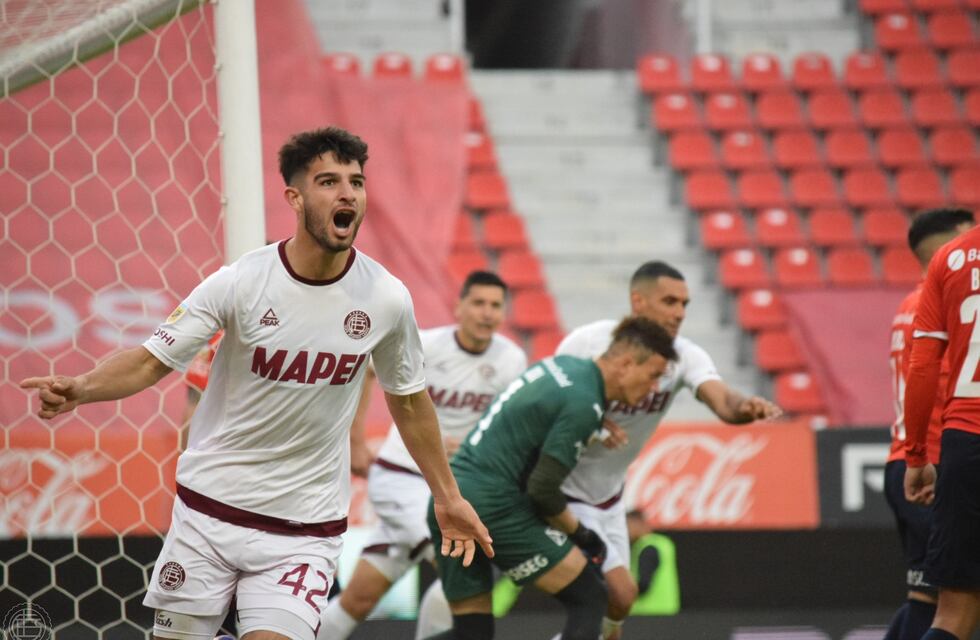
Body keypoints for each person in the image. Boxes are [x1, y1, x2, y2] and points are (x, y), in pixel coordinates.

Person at [20, 127, 492, 640]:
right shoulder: (241, 282)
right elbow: (151, 361)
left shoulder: (386, 297)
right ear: (295, 196)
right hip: (209, 512)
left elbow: (409, 400)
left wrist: (447, 497)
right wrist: (83, 387)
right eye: (328, 181)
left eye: (355, 182)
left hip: (304, 529)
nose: (347, 194)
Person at [553, 260, 782, 640]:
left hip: (608, 500)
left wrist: (746, 407)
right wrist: (589, 422)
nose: (679, 313)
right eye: (670, 301)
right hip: (556, 494)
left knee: (617, 608)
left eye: (685, 304)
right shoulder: (587, 342)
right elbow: (547, 401)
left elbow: (723, 401)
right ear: (638, 302)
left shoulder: (684, 356)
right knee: (609, 595)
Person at [424, 316, 679, 640]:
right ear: (626, 364)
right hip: (493, 507)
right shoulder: (585, 403)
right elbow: (542, 491)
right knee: (591, 598)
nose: (655, 388)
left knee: (471, 634)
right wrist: (585, 535)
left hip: (453, 497)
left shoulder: (561, 367)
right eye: (654, 375)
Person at [318, 270, 527, 639]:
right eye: (478, 303)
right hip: (402, 476)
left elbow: (511, 423)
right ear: (459, 307)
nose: (486, 312)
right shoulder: (427, 344)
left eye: (495, 305)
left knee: (359, 598)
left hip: (453, 489)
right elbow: (368, 369)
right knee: (462, 563)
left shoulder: (511, 360)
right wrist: (356, 439)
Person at [883, 208, 975, 640]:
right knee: (940, 606)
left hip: (927, 452)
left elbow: (921, 373)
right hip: (937, 455)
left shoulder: (911, 303)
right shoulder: (937, 299)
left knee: (934, 603)